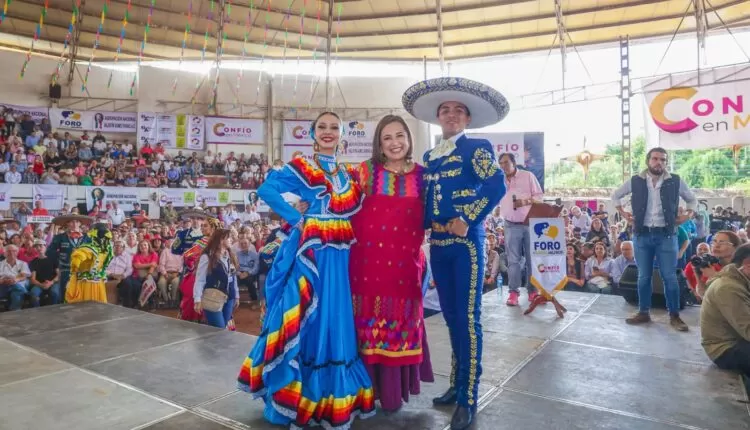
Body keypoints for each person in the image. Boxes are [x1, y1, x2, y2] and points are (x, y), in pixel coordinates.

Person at [238, 112, 375, 428]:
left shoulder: (349, 174)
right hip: (312, 251)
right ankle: (299, 392)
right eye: (321, 127)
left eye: (334, 128)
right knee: (306, 312)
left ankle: (329, 393)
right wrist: (297, 218)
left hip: (340, 254)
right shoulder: (303, 167)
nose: (328, 132)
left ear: (342, 135)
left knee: (335, 312)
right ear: (313, 134)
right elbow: (267, 189)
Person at [403, 77, 507, 430]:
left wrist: (467, 218)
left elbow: (496, 185)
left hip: (466, 245)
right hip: (438, 245)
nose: (451, 114)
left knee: (468, 319)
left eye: (458, 110)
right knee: (450, 318)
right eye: (445, 110)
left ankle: (469, 396)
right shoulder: (430, 156)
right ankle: (456, 383)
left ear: (467, 118)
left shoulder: (476, 147)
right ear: (438, 117)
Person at [349, 115, 434, 412]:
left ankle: (393, 392)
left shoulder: (424, 177)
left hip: (404, 267)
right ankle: (364, 392)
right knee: (364, 325)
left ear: (409, 139)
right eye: (387, 137)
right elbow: (339, 205)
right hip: (365, 267)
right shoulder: (364, 172)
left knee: (402, 321)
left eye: (400, 136)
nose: (395, 143)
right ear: (379, 143)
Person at [611, 147, 697, 332]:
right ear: (648, 161)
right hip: (642, 235)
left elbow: (692, 199)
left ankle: (674, 315)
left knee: (669, 277)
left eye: (663, 160)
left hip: (667, 235)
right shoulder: (636, 180)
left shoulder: (675, 180)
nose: (659, 162)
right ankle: (643, 312)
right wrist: (623, 213)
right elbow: (615, 195)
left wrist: (688, 215)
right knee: (643, 276)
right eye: (655, 159)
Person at [497, 152, 544, 306]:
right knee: (513, 261)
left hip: (530, 223)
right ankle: (513, 293)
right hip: (510, 224)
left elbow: (539, 197)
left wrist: (525, 202)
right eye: (501, 163)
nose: (503, 166)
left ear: (514, 162)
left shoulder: (527, 176)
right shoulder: (499, 179)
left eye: (506, 162)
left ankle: (532, 291)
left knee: (532, 259)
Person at [700, 243, 750, 377]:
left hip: (738, 339)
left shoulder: (741, 280)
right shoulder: (728, 288)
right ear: (748, 265)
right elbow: (748, 330)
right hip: (724, 348)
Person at [176, 213, 220, 322]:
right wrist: (196, 265)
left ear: (213, 228)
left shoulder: (221, 242)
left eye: (205, 226)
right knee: (192, 294)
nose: (202, 228)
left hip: (217, 276)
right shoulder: (200, 242)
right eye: (202, 226)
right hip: (200, 274)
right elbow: (188, 257)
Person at [194, 229, 239, 329]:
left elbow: (233, 277)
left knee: (222, 327)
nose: (231, 240)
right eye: (229, 238)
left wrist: (236, 295)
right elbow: (200, 279)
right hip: (212, 297)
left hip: (229, 297)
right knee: (219, 329)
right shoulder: (207, 257)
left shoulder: (230, 255)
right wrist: (197, 299)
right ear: (221, 240)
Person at [47, 214, 93, 301]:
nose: (75, 224)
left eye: (77, 221)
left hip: (83, 272)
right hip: (66, 270)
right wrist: (61, 257)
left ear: (80, 224)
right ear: (67, 223)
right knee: (65, 295)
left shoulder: (87, 237)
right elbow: (49, 252)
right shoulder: (60, 237)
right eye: (72, 221)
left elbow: (93, 253)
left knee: (83, 296)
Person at [65, 223, 113, 304]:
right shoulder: (107, 249)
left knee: (85, 306)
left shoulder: (88, 248)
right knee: (98, 306)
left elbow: (76, 261)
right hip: (98, 282)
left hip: (86, 283)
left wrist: (75, 271)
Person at [688, 230, 740, 299]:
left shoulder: (740, 267)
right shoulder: (712, 265)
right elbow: (703, 293)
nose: (716, 246)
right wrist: (698, 276)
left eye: (722, 242)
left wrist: (713, 275)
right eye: (714, 242)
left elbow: (733, 295)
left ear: (735, 247)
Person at [28, 239, 61, 306]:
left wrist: (51, 283)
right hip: (39, 284)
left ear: (45, 247)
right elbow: (33, 279)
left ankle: (53, 309)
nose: (38, 248)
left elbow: (58, 275)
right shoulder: (33, 262)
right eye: (36, 246)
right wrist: (41, 285)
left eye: (41, 246)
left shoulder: (53, 259)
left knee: (55, 293)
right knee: (34, 294)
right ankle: (37, 310)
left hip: (53, 283)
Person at [0, 244, 31, 310]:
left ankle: (13, 310)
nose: (11, 253)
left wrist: (16, 280)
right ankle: (24, 292)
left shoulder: (23, 263)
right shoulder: (0, 264)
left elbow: (24, 276)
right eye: (8, 251)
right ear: (4, 253)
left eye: (14, 251)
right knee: (17, 291)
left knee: (16, 293)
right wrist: (2, 280)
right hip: (3, 285)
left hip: (18, 282)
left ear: (17, 253)